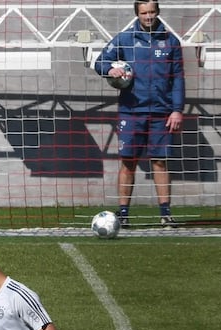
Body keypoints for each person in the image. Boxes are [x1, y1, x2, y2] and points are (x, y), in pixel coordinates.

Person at [94, 1, 185, 228]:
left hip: (162, 113)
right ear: (137, 14)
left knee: (160, 162)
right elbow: (100, 61)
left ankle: (165, 213)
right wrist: (110, 69)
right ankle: (123, 214)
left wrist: (177, 109)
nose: (149, 16)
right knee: (128, 162)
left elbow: (178, 79)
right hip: (131, 111)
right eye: (144, 13)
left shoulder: (170, 40)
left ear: (158, 12)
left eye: (152, 12)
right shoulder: (125, 38)